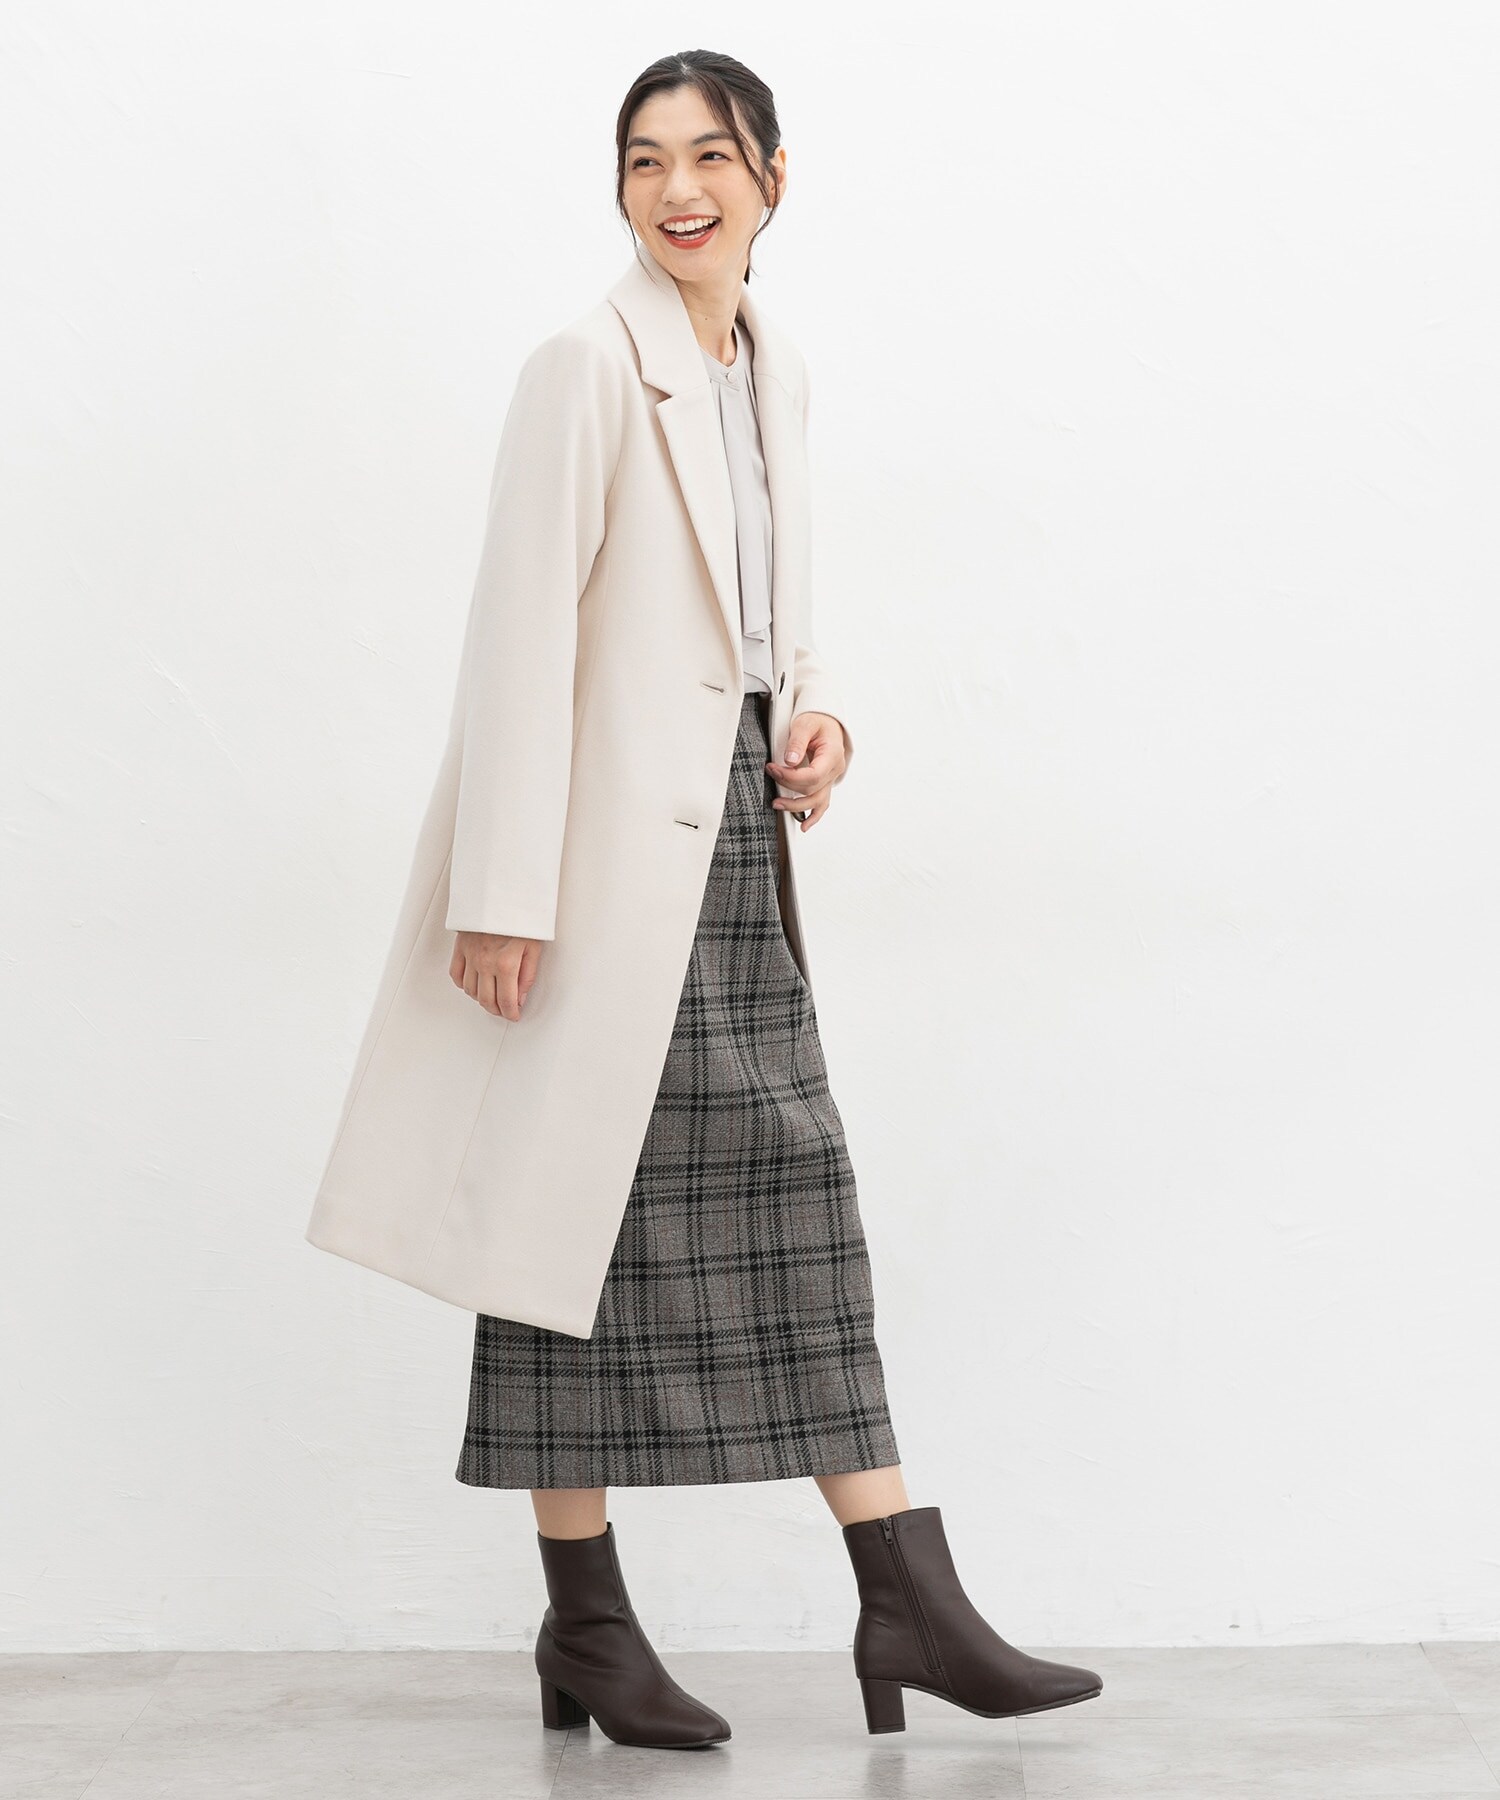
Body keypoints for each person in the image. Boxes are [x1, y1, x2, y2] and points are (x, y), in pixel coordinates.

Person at [307, 48, 1102, 1750]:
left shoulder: (771, 369)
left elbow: (766, 612)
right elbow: (517, 633)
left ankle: (892, 1595)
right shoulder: (582, 368)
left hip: (736, 840)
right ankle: (602, 1624)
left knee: (793, 1200)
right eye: (646, 160)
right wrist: (501, 892)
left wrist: (812, 712)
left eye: (711, 157)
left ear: (774, 177)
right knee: (565, 1234)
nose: (678, 190)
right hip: (595, 867)